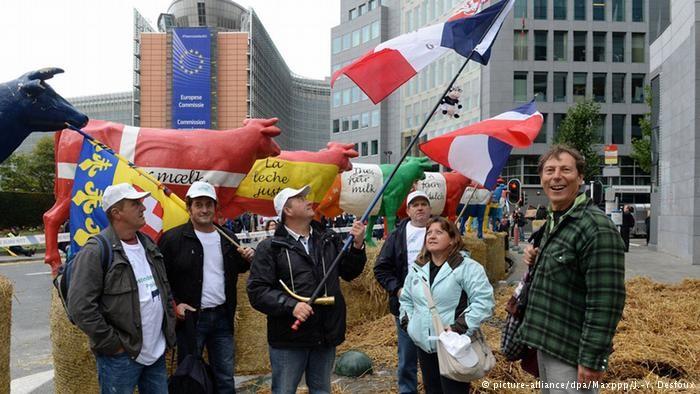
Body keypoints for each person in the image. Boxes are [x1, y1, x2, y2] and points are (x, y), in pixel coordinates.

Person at [515, 145, 626, 393]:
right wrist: (536, 258)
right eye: (549, 170)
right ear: (541, 178)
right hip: (547, 344)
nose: (556, 176)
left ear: (580, 177)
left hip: (573, 354)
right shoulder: (556, 220)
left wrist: (591, 359)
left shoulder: (595, 227)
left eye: (566, 169)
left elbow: (606, 301)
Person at [247, 185, 367, 394]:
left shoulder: (328, 239)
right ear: (288, 210)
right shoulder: (270, 248)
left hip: (325, 331)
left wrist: (357, 246)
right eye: (300, 198)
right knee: (284, 390)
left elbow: (349, 272)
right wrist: (291, 306)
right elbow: (257, 291)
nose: (308, 201)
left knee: (321, 390)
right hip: (289, 337)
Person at [67, 183, 176, 394]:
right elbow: (80, 307)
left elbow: (164, 288)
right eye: (135, 204)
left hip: (156, 351)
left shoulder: (149, 244)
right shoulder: (96, 251)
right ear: (116, 213)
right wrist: (113, 345)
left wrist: (168, 327)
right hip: (121, 356)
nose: (143, 207)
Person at [158, 181, 254, 393]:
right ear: (188, 207)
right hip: (192, 320)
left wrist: (247, 259)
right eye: (198, 204)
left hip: (222, 317)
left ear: (215, 207)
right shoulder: (173, 239)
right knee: (191, 377)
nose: (204, 210)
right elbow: (159, 277)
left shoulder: (227, 237)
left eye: (208, 204)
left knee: (225, 377)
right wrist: (174, 305)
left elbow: (235, 269)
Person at [399, 217, 494, 394]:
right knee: (432, 390)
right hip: (425, 345)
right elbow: (406, 299)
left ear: (452, 239)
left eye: (439, 232)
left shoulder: (467, 268)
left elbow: (484, 301)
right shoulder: (418, 269)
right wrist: (410, 324)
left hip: (453, 345)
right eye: (429, 233)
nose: (431, 236)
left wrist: (458, 328)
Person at [373, 190, 431, 393]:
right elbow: (381, 268)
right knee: (407, 356)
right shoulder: (397, 236)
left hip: (438, 306)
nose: (420, 208)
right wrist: (397, 290)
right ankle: (407, 390)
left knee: (437, 355)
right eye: (415, 205)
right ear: (408, 210)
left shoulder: (440, 231)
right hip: (407, 307)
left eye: (424, 204)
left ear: (430, 209)